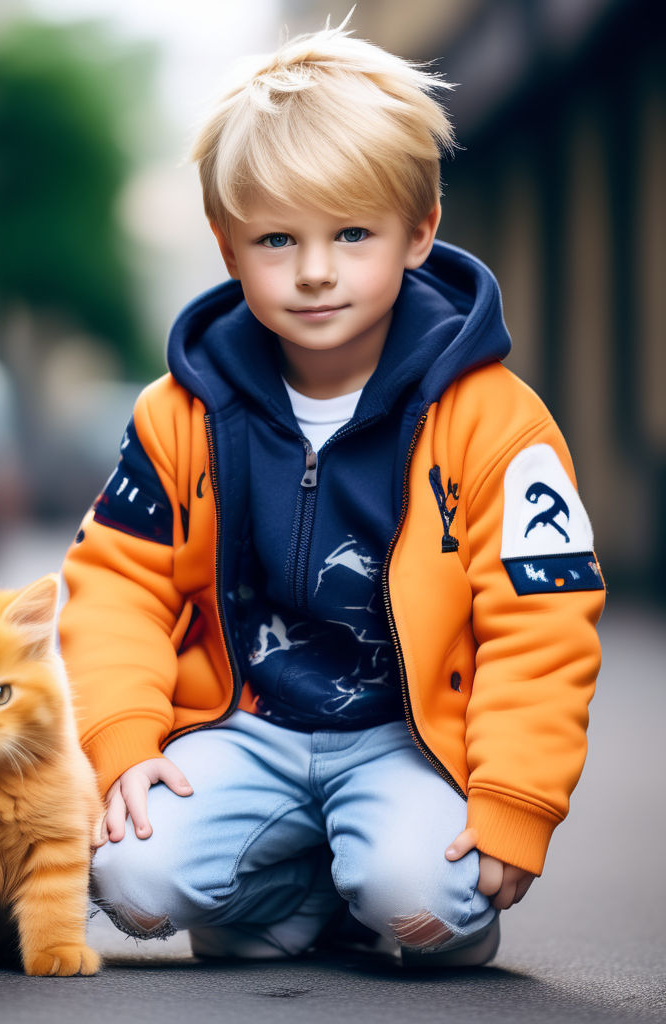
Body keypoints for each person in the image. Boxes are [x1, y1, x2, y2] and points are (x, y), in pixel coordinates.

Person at [58, 20, 604, 968]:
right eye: (277, 239)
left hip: (407, 742)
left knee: (425, 907)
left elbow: (542, 618)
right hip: (245, 726)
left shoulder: (496, 422)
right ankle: (308, 886)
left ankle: (364, 884)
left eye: (354, 234)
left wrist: (517, 797)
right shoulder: (177, 414)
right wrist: (126, 741)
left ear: (420, 232)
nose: (316, 271)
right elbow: (116, 586)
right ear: (228, 246)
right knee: (130, 884)